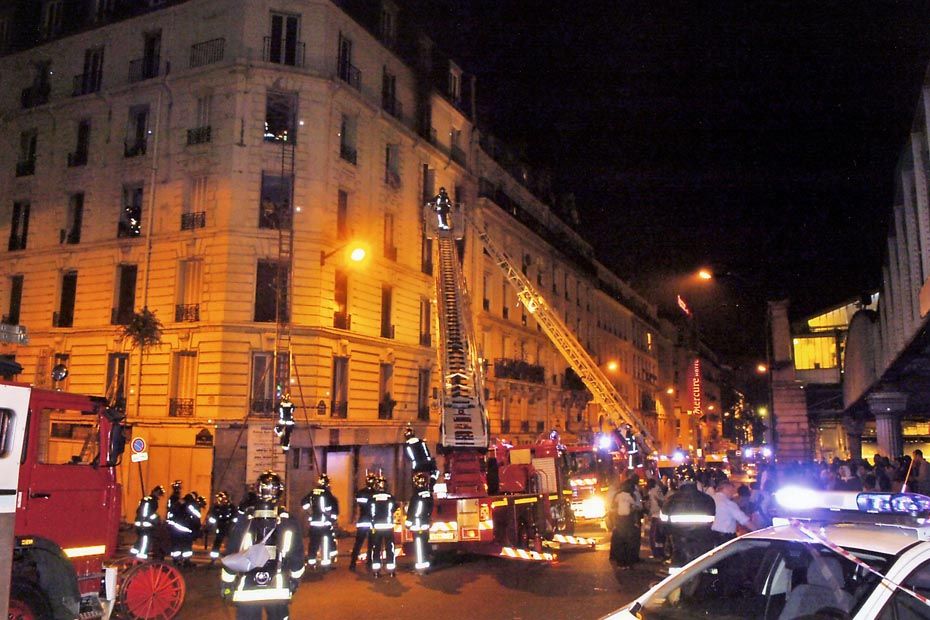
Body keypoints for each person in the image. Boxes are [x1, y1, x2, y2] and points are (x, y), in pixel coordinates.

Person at [221, 470, 304, 620]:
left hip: (247, 589)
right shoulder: (289, 522)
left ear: (257, 490)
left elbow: (232, 552)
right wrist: (294, 580)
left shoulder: (245, 520)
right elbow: (297, 556)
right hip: (278, 588)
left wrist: (227, 583)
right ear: (280, 493)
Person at [661, 467, 716, 570]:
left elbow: (663, 527)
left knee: (678, 574)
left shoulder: (670, 501)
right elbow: (712, 523)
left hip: (680, 546)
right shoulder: (708, 500)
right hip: (703, 545)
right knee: (705, 572)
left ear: (678, 481)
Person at [301, 474, 339, 569]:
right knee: (326, 542)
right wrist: (332, 519)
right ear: (327, 483)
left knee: (313, 543)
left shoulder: (313, 492)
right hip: (325, 523)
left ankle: (311, 563)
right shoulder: (328, 493)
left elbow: (304, 503)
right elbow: (332, 508)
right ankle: (325, 564)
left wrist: (310, 512)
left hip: (314, 523)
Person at [609, 477, 642, 570]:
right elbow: (613, 508)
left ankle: (625, 562)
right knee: (624, 542)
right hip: (623, 521)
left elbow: (635, 508)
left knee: (625, 542)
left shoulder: (627, 495)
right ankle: (623, 562)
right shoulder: (623, 495)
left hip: (625, 521)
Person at [405, 471, 434, 571]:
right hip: (425, 523)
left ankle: (421, 567)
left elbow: (412, 510)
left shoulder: (416, 496)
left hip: (417, 524)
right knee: (425, 544)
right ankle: (426, 564)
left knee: (419, 546)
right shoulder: (429, 494)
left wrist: (408, 523)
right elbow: (430, 508)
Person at [369, 475, 397, 578]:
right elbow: (394, 508)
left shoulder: (372, 498)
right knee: (390, 548)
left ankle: (376, 571)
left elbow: (369, 511)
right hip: (388, 526)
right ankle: (391, 570)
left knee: (376, 549)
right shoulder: (390, 497)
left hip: (376, 527)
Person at [349, 472, 376, 572]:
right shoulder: (376, 493)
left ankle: (353, 563)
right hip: (372, 522)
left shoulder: (360, 493)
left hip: (363, 520)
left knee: (358, 543)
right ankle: (369, 562)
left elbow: (359, 504)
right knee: (371, 543)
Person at [711, 481, 753, 545]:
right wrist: (758, 531)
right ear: (726, 489)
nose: (733, 494)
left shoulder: (710, 499)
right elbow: (745, 520)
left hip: (712, 535)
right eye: (732, 491)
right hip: (725, 538)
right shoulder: (728, 503)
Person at [131, 485, 165, 560]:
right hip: (145, 524)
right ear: (156, 492)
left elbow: (139, 511)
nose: (159, 496)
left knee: (140, 540)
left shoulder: (146, 499)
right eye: (159, 494)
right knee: (145, 541)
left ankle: (133, 556)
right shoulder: (152, 501)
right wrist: (156, 518)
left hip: (140, 523)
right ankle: (141, 557)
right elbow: (148, 513)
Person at [174, 491, 204, 566]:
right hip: (186, 527)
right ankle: (186, 561)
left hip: (176, 527)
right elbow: (196, 516)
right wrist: (198, 528)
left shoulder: (180, 501)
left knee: (177, 544)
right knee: (187, 545)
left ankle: (176, 559)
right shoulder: (191, 504)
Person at [208, 491, 235, 561]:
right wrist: (210, 526)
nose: (222, 500)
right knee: (217, 542)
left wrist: (232, 523)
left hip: (229, 526)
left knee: (231, 542)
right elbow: (212, 517)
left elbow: (235, 517)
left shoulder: (231, 507)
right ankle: (213, 558)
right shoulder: (217, 507)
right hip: (220, 526)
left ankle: (230, 556)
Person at [645, 478, 666, 560]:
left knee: (655, 536)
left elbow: (660, 502)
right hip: (656, 515)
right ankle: (659, 553)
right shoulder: (654, 490)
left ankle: (657, 553)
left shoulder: (655, 491)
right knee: (657, 536)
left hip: (657, 515)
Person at [166, 480, 184, 562]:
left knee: (175, 541)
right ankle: (176, 559)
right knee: (176, 541)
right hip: (175, 522)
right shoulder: (175, 498)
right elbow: (176, 509)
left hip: (173, 521)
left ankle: (176, 557)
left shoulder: (173, 497)